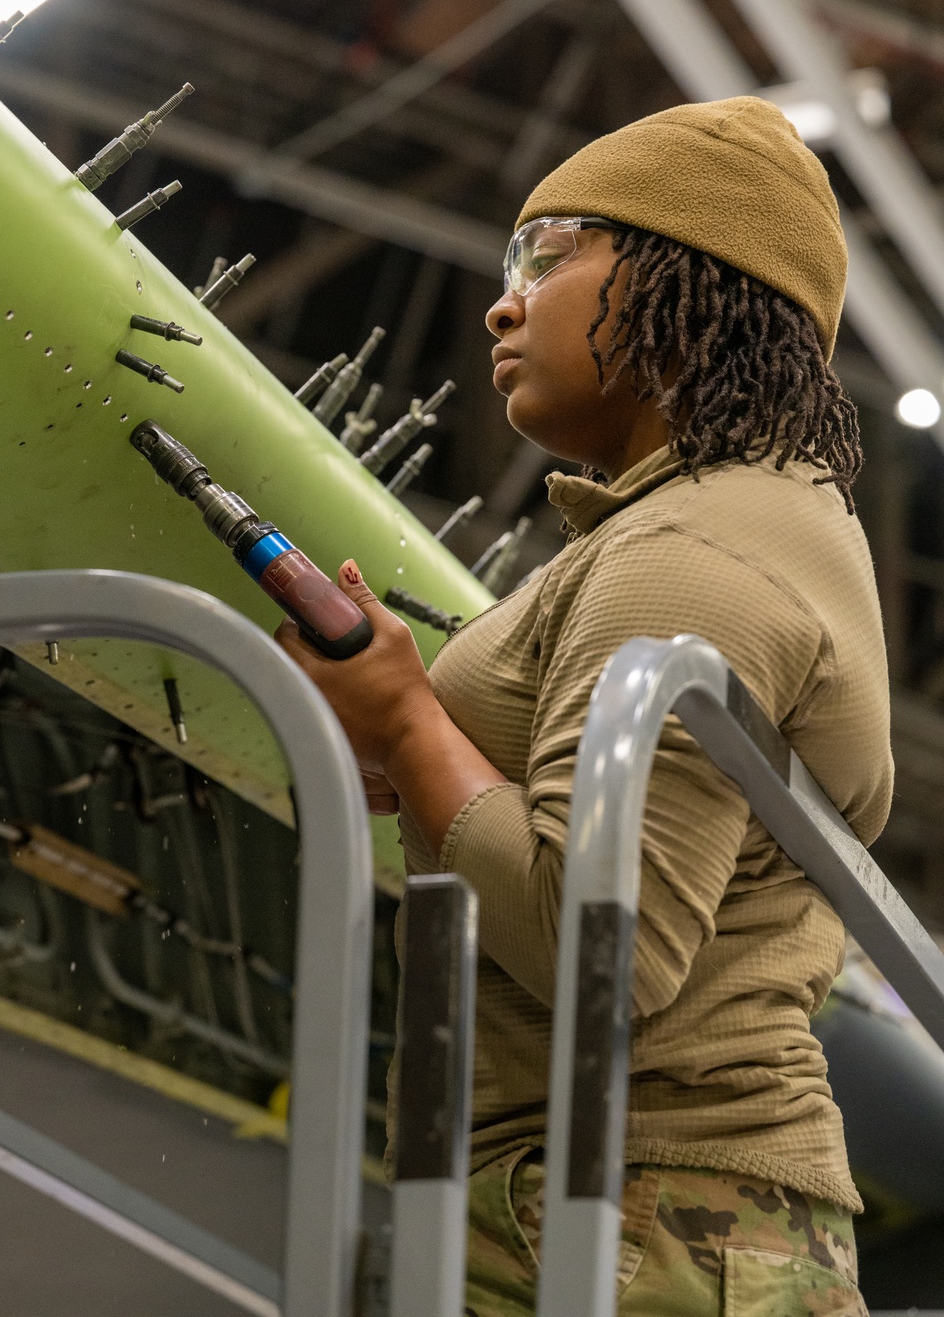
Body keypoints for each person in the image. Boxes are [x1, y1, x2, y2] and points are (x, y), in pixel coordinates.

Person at [278, 97, 892, 1313]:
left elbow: (594, 943)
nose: (504, 302)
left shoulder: (693, 554)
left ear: (689, 284)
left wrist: (408, 720)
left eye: (549, 256)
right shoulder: (741, 520)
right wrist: (404, 750)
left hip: (633, 1215)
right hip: (639, 1214)